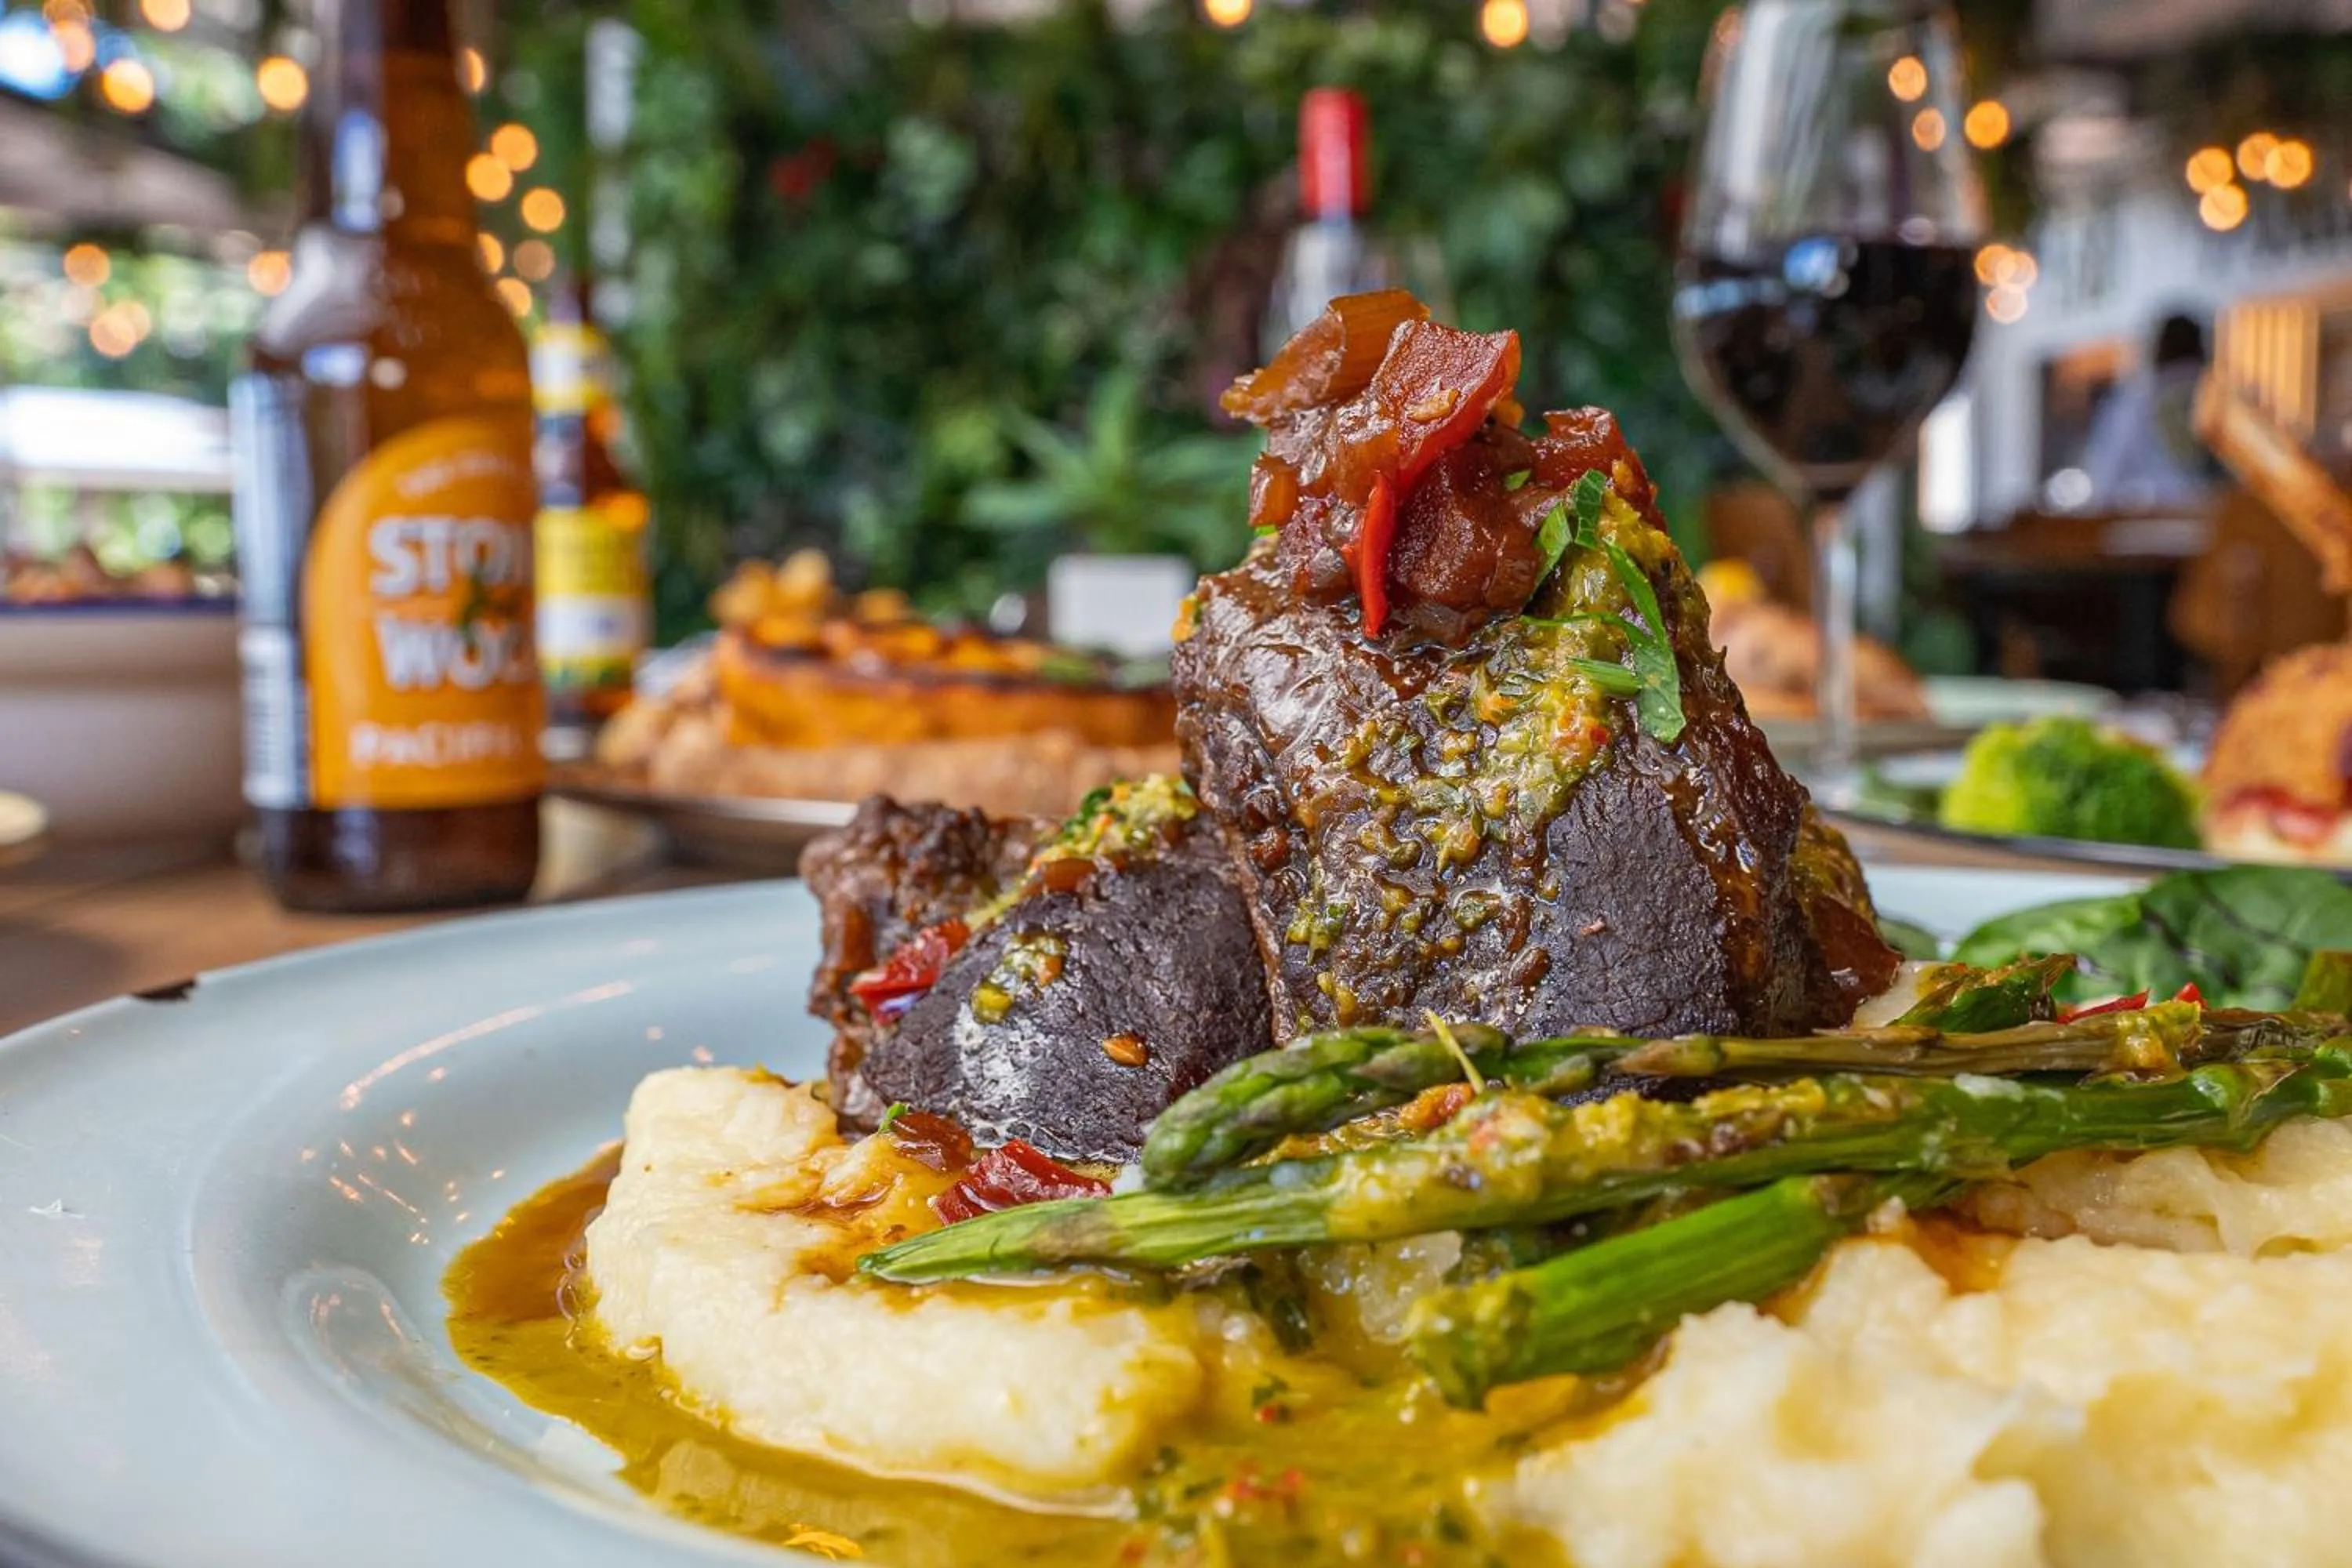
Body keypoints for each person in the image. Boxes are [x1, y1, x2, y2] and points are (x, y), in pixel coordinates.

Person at [2081, 311, 2216, 511]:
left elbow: (2107, 475)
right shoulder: (2223, 397)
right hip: (2225, 519)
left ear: (2156, 348)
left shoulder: (2134, 402)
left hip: (2159, 522)